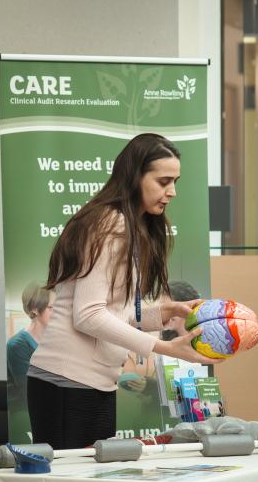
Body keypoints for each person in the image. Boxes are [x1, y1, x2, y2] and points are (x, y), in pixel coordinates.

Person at [27, 133, 218, 449]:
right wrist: (166, 348)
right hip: (67, 382)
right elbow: (88, 316)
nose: (172, 192)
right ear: (135, 176)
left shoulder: (130, 225)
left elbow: (114, 312)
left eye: (175, 181)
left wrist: (164, 313)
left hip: (92, 383)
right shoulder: (110, 224)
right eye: (163, 181)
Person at [6, 283, 55, 441]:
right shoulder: (17, 345)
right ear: (34, 309)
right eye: (52, 308)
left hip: (50, 414)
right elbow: (31, 392)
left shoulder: (54, 341)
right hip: (26, 422)